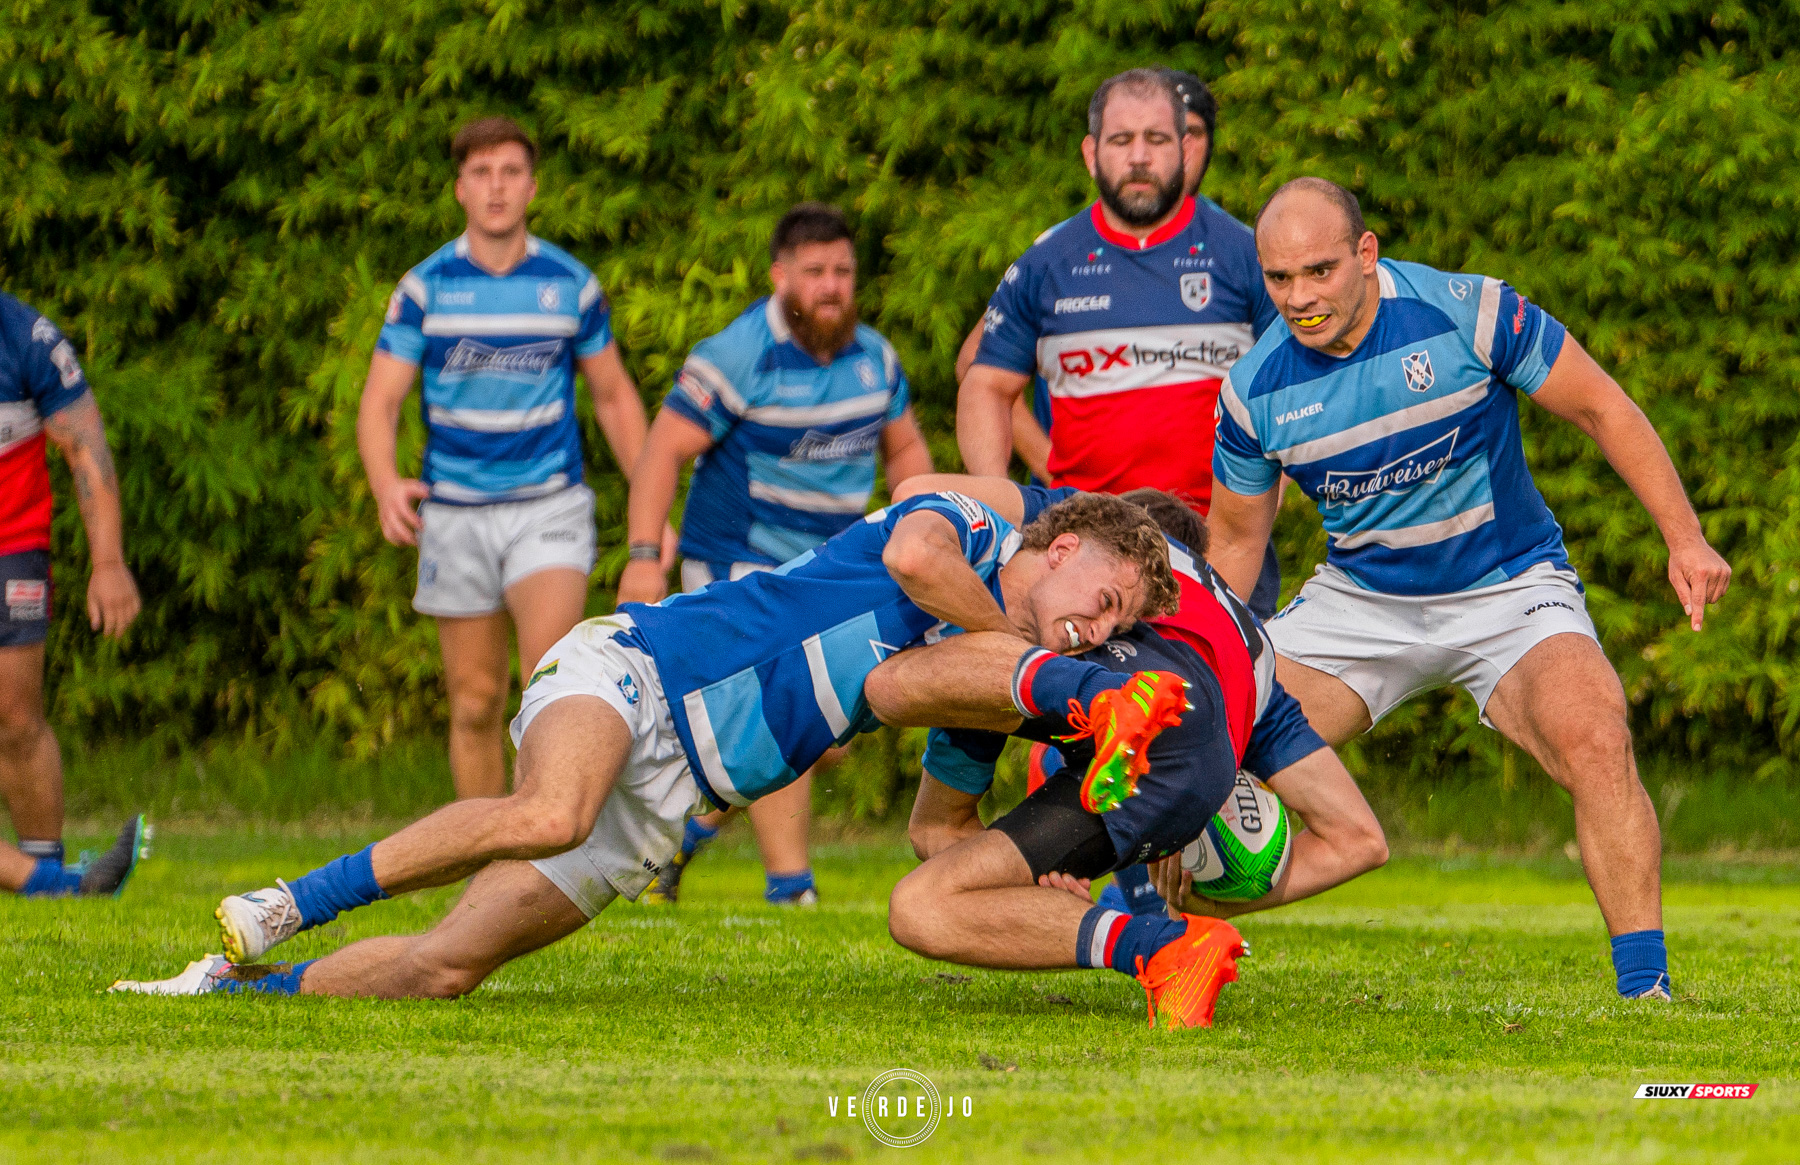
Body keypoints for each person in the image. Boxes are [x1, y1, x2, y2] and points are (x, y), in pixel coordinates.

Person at [110, 491, 1178, 1001]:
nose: (1099, 631)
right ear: (1065, 546)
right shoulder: (978, 529)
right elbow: (911, 555)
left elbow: (934, 832)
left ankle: (227, 987)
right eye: (1106, 599)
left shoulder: (989, 688)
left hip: (675, 797)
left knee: (444, 969)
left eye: (1118, 628)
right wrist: (1011, 651)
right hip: (640, 669)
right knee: (549, 812)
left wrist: (1050, 880)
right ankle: (286, 903)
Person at [1205, 177, 1734, 1000]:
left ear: (1366, 253)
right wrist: (1205, 663)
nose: (1300, 297)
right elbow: (1237, 541)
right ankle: (1149, 932)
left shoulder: (1472, 313)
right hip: (1361, 603)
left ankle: (1646, 991)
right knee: (1206, 739)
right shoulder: (1254, 390)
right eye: (1279, 278)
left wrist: (1685, 538)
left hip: (1509, 588)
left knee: (1597, 738)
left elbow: (1602, 407)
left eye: (1319, 271)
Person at [869, 475, 1385, 1029]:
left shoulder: (1099, 537)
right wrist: (1213, 902)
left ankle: (1096, 713)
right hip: (1192, 773)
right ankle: (1167, 945)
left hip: (1139, 699)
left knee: (890, 687)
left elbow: (916, 489)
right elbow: (1360, 842)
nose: (1103, 624)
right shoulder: (1251, 653)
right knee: (924, 900)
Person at [619, 203, 933, 906]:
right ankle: (792, 888)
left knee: (825, 738)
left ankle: (675, 841)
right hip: (739, 559)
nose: (831, 286)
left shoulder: (875, 359)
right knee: (788, 702)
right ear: (779, 276)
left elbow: (905, 445)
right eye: (815, 271)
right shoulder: (737, 355)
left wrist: (919, 520)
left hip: (826, 568)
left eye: (843, 271)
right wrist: (643, 554)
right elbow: (663, 449)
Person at [358, 116, 665, 801]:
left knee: (546, 686)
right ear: (459, 188)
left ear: (532, 186)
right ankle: (485, 847)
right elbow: (380, 403)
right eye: (481, 172)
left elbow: (615, 398)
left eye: (510, 172)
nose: (496, 187)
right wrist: (385, 483)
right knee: (474, 702)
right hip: (454, 512)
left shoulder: (571, 284)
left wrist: (651, 511)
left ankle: (544, 844)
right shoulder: (424, 288)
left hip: (548, 507)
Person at [952, 68, 1284, 619]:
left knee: (1221, 679)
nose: (1139, 157)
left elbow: (1294, 388)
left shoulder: (1244, 255)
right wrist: (1001, 506)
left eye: (1156, 139)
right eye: (1121, 140)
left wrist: (1253, 518)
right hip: (1083, 548)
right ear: (1091, 154)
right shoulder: (1047, 262)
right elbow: (984, 384)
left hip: (1216, 547)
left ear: (1185, 149)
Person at [0, 291, 147, 898]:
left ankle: (48, 876)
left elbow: (85, 446)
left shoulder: (25, 338)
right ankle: (56, 884)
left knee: (15, 717)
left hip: (11, 546)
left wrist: (108, 563)